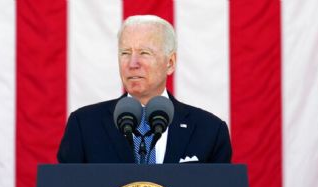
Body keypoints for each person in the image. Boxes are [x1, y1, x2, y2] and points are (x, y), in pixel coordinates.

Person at [57, 15, 232, 163]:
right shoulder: (84, 125)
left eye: (144, 53)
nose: (132, 64)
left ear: (170, 63)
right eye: (125, 53)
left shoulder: (209, 131)